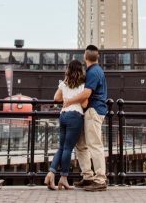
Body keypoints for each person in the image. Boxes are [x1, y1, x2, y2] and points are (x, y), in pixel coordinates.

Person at [44, 59, 89, 190]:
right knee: (68, 148)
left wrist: (67, 97)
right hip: (75, 116)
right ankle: (63, 178)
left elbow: (56, 98)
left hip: (63, 115)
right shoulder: (82, 85)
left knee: (62, 147)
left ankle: (51, 173)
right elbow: (85, 104)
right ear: (80, 70)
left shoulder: (65, 83)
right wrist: (77, 99)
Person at [74, 44, 108, 191]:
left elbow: (87, 93)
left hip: (93, 111)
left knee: (94, 145)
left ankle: (100, 180)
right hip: (90, 111)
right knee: (81, 144)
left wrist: (69, 100)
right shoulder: (95, 70)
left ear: (85, 56)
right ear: (97, 56)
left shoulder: (93, 72)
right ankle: (88, 177)